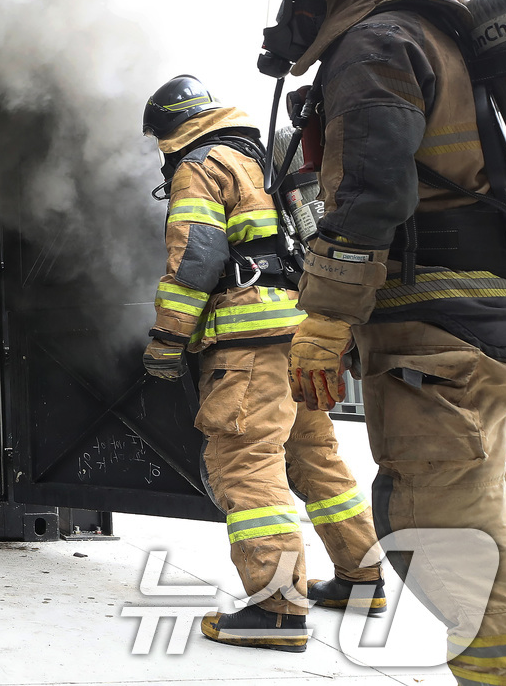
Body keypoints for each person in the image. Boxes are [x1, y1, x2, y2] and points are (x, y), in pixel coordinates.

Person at [257, 0, 506, 684]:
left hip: (433, 328)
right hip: (467, 315)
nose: (290, 9)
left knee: (442, 531)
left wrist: (326, 318)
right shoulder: (429, 34)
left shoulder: (375, 42)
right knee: (470, 509)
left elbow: (373, 192)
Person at [141, 75, 383, 652]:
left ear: (171, 130)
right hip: (298, 335)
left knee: (246, 465)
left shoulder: (202, 165)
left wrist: (167, 340)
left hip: (246, 346)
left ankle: (277, 609)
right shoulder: (262, 160)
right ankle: (362, 579)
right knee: (315, 458)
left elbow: (196, 260)